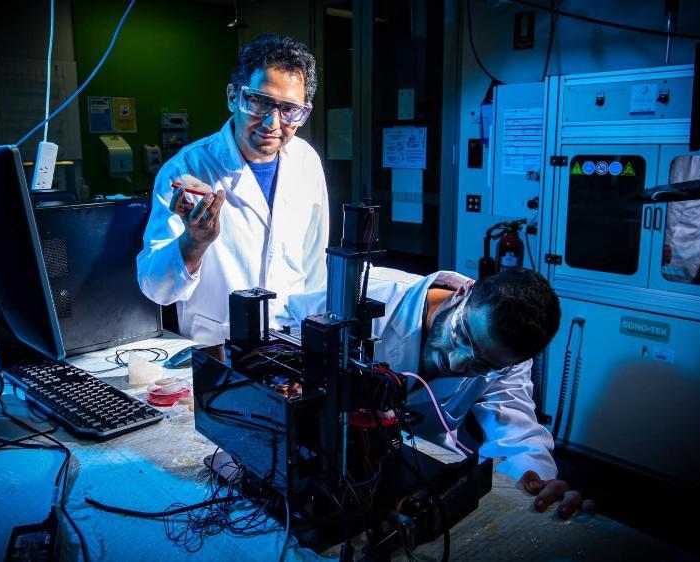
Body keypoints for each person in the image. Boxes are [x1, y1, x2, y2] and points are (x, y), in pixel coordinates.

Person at [279, 267, 595, 518]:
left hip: (418, 472)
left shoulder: (505, 361)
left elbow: (518, 437)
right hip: (328, 461)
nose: (456, 363)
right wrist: (296, 377)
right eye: (463, 335)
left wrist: (533, 485)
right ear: (461, 294)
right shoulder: (368, 294)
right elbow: (282, 324)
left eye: (479, 365)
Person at [137, 34, 329, 347]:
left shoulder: (306, 161)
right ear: (233, 97)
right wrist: (193, 242)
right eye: (259, 102)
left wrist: (316, 346)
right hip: (217, 350)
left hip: (292, 347)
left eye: (290, 109)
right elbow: (155, 288)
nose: (272, 123)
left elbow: (314, 266)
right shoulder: (185, 169)